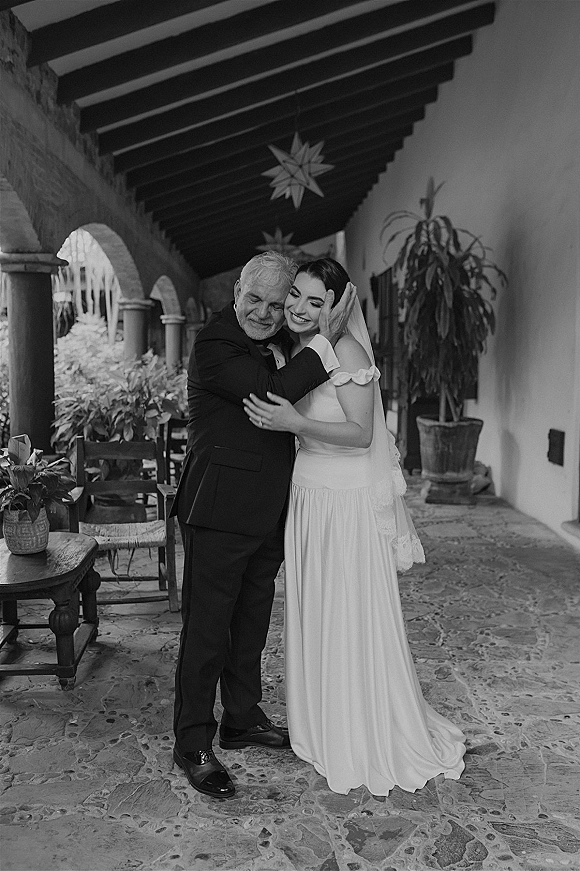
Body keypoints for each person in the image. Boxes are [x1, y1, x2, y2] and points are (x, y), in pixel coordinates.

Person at [243, 258, 466, 796]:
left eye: (315, 301)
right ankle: (322, 722)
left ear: (338, 307)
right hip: (308, 499)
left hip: (343, 503)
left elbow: (362, 433)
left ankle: (360, 729)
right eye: (296, 295)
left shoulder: (347, 351)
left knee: (347, 610)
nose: (299, 308)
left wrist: (295, 422)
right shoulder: (294, 350)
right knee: (317, 609)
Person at [171, 251, 356, 799]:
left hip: (268, 510)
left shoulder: (281, 342)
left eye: (277, 305)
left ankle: (242, 718)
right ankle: (193, 741)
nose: (264, 313)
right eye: (254, 299)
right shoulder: (214, 343)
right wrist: (326, 342)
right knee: (206, 632)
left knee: (250, 622)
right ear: (236, 292)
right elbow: (272, 392)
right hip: (218, 512)